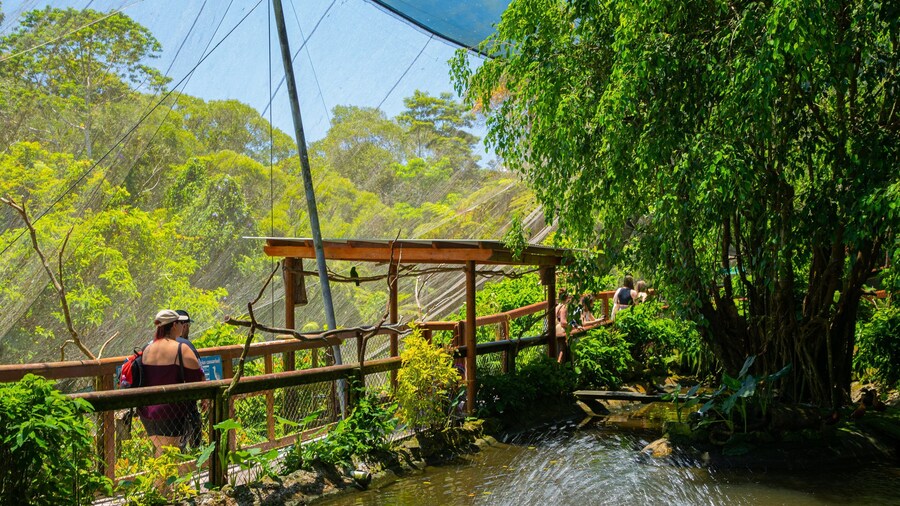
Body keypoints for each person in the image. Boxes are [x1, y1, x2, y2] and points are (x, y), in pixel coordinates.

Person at [138, 309, 205, 455]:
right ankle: (165, 479)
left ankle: (157, 478)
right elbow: (199, 378)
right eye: (181, 323)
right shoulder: (182, 349)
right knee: (170, 457)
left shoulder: (147, 349)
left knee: (162, 454)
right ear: (174, 325)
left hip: (148, 413)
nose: (184, 326)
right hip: (171, 412)